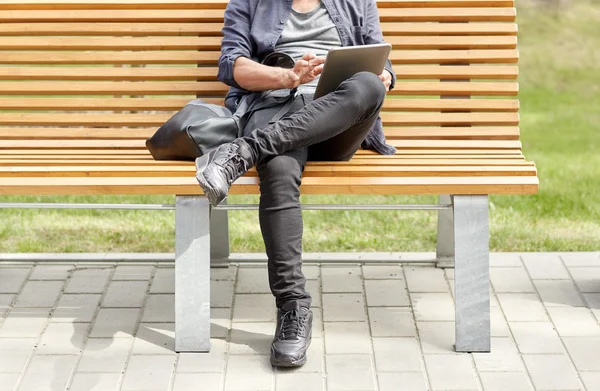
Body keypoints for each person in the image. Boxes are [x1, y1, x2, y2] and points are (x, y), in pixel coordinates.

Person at [195, 0, 396, 368]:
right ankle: (293, 308)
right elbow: (233, 65)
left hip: (338, 120)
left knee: (368, 84)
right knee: (278, 168)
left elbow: (380, 58)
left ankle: (243, 152)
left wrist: (385, 77)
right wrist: (289, 78)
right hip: (276, 110)